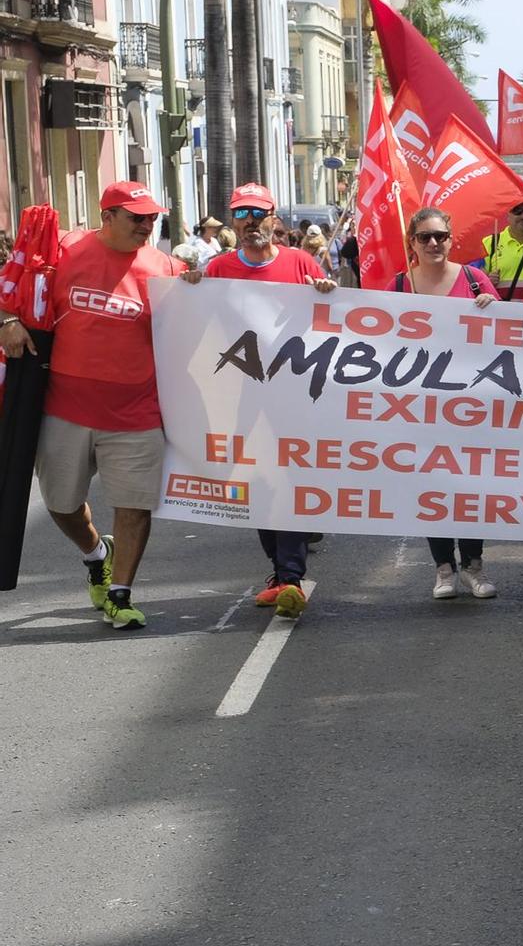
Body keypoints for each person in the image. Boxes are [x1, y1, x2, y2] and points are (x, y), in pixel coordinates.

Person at [0, 182, 183, 629]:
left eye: (152, 218)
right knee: (62, 505)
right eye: (136, 218)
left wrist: (196, 287)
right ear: (107, 216)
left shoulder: (167, 268)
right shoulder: (64, 251)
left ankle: (120, 594)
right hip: (66, 409)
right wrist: (7, 320)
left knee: (134, 506)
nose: (146, 226)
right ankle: (97, 552)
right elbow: (13, 286)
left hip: (136, 413)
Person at [181, 183, 338, 618]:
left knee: (284, 476)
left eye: (258, 213)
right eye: (241, 214)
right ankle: (280, 569)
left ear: (274, 220)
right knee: (256, 482)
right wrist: (188, 288)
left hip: (293, 396)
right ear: (233, 222)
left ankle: (289, 576)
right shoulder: (217, 270)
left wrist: (327, 293)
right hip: (239, 396)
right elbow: (194, 324)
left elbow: (336, 322)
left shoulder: (300, 261)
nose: (250, 221)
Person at [394, 208, 502, 601]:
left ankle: (474, 565)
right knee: (431, 485)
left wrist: (496, 308)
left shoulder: (475, 281)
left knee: (469, 483)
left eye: (440, 236)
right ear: (413, 242)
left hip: (470, 405)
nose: (433, 243)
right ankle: (444, 568)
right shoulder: (399, 287)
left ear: (451, 239)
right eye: (425, 237)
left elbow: (508, 335)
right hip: (419, 408)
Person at [483, 200, 523, 301]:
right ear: (508, 216)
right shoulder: (489, 242)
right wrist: (487, 281)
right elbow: (476, 280)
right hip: (501, 312)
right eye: (518, 212)